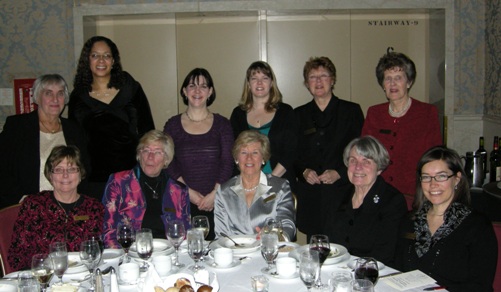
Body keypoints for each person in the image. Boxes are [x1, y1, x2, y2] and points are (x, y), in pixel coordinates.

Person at [396, 146, 497, 291]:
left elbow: (481, 286)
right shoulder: (410, 221)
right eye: (426, 177)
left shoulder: (477, 226)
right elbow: (397, 268)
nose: (433, 184)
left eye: (441, 176)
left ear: (456, 179)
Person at [69, 36, 155, 200]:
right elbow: (74, 141)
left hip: (131, 174)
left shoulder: (131, 88)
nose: (101, 60)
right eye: (95, 55)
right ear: (87, 60)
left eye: (106, 55)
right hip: (93, 179)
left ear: (113, 60)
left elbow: (148, 131)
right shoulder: (78, 96)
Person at [294, 56, 364, 240]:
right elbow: (293, 155)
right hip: (312, 197)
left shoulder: (351, 111)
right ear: (306, 83)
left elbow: (362, 152)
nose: (318, 81)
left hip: (343, 192)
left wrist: (340, 172)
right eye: (312, 77)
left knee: (344, 247)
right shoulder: (298, 115)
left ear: (332, 80)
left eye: (323, 76)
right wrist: (304, 171)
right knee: (314, 250)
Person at [361, 50, 442, 209]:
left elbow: (435, 156)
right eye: (388, 79)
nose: (392, 84)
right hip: (380, 193)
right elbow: (365, 154)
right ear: (382, 84)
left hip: (415, 196)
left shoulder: (426, 112)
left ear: (409, 82)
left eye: (398, 78)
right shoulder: (374, 113)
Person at [8, 145, 103, 271]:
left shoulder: (94, 208)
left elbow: (98, 253)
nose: (65, 175)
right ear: (50, 175)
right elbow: (17, 255)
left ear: (80, 174)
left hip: (82, 276)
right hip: (43, 277)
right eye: (58, 170)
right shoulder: (33, 205)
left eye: (72, 169)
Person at [163, 68, 233, 240]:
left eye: (203, 86)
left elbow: (228, 161)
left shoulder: (222, 124)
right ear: (184, 91)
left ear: (210, 92)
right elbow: (168, 162)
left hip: (217, 202)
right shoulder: (172, 125)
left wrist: (214, 194)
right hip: (181, 203)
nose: (197, 91)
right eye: (192, 85)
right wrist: (188, 192)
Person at [0, 74, 88, 209]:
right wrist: (21, 199)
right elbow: (2, 169)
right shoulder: (17, 126)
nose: (55, 99)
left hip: (67, 206)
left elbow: (84, 168)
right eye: (48, 93)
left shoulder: (74, 129)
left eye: (60, 94)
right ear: (37, 97)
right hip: (26, 206)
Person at [323, 136, 407, 265]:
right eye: (353, 160)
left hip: (373, 275)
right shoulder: (338, 195)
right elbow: (327, 242)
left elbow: (385, 254)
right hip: (337, 271)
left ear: (379, 168)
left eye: (366, 161)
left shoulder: (392, 201)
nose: (358, 167)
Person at [102, 130, 190, 248]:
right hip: (129, 253)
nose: (150, 157)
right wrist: (123, 259)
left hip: (168, 254)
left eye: (157, 152)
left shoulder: (179, 190)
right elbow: (108, 229)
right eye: (146, 150)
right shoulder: (119, 182)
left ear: (166, 159)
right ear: (139, 154)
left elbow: (186, 233)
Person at [214, 130, 296, 240]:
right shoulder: (224, 191)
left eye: (255, 152)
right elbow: (221, 236)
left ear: (263, 158)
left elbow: (287, 225)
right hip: (235, 253)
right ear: (236, 159)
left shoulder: (280, 187)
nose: (249, 158)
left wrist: (274, 237)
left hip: (269, 251)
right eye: (243, 152)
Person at [230, 61, 298, 189]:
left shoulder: (286, 112)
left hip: (280, 183)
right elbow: (234, 151)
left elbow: (291, 152)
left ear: (271, 83)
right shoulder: (238, 114)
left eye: (264, 78)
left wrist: (270, 181)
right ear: (248, 84)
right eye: (254, 78)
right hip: (245, 185)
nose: (259, 83)